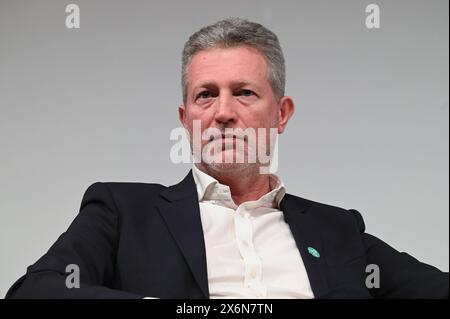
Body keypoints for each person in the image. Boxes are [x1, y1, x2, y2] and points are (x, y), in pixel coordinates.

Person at [6, 18, 448, 299]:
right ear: (186, 118)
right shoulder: (122, 212)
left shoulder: (336, 230)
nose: (222, 112)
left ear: (281, 114)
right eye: (205, 96)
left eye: (244, 93)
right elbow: (37, 290)